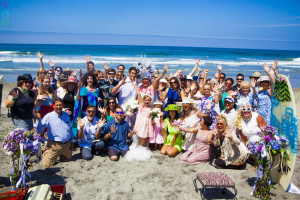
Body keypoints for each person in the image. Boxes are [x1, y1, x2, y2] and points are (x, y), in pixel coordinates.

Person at [34, 97, 74, 167]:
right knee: (47, 165)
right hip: (55, 144)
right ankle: (47, 152)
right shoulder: (49, 116)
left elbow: (70, 129)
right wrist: (38, 120)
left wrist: (72, 141)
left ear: (63, 105)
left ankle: (58, 154)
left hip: (67, 143)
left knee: (67, 159)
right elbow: (39, 130)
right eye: (57, 105)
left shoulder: (66, 115)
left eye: (60, 105)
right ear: (54, 106)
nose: (59, 107)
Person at [133, 81, 154, 147]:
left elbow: (152, 116)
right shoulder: (141, 105)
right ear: (143, 100)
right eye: (145, 100)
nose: (147, 101)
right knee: (138, 135)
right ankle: (138, 146)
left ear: (150, 101)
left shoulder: (151, 108)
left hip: (146, 124)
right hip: (140, 122)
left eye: (148, 100)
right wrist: (136, 85)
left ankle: (144, 147)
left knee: (145, 137)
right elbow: (139, 94)